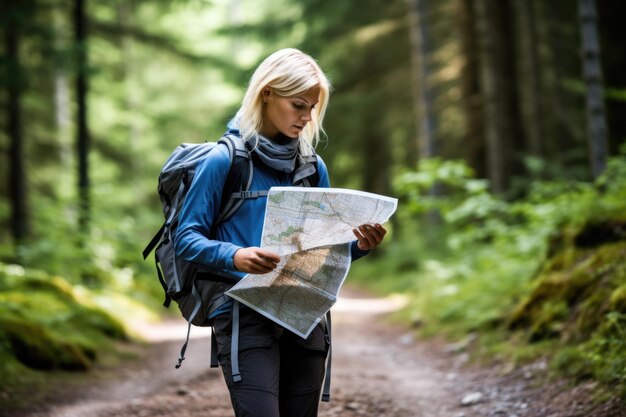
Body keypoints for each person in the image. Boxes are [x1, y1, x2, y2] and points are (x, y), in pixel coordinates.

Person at [175, 48, 387, 417]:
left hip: (302, 313)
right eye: (299, 105)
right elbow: (186, 237)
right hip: (242, 311)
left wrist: (358, 245)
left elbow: (324, 249)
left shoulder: (311, 166)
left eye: (313, 109)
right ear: (267, 93)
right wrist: (235, 255)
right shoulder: (224, 160)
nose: (307, 118)